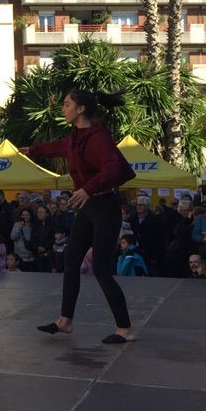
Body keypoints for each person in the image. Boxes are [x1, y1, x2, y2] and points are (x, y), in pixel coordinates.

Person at [23, 89, 137, 345]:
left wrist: (88, 188)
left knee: (101, 269)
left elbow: (113, 168)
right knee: (71, 262)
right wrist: (33, 149)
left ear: (81, 109)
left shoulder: (97, 137)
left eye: (66, 104)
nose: (63, 109)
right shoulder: (76, 137)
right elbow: (58, 147)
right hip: (88, 208)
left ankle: (125, 328)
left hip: (105, 206)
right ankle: (65, 320)